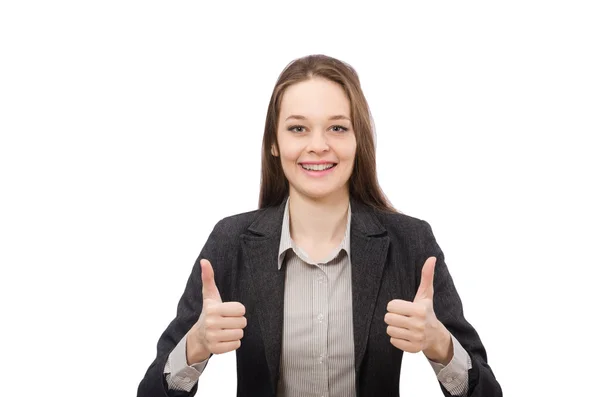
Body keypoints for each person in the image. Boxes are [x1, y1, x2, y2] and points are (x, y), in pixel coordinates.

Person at [137, 54, 502, 397]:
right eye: (298, 128)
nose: (318, 145)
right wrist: (194, 347)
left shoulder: (410, 242)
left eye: (337, 128)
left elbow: (488, 391)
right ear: (274, 144)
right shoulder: (231, 241)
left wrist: (441, 346)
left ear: (358, 141)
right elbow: (150, 391)